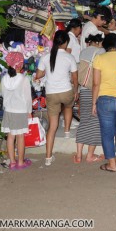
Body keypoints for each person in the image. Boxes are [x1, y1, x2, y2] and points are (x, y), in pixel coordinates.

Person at [35, 31, 78, 166]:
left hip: (51, 94)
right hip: (66, 91)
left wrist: (42, 73)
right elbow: (75, 78)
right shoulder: (69, 57)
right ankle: (66, 131)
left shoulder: (46, 57)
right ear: (65, 43)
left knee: (52, 126)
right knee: (69, 106)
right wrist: (75, 91)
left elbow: (38, 74)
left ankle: (48, 157)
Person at [92, 33, 116, 172]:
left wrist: (93, 103)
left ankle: (112, 164)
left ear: (106, 45)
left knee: (107, 133)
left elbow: (96, 84)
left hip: (104, 100)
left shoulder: (99, 59)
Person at [74, 34, 106, 164]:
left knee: (84, 122)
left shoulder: (83, 52)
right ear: (98, 42)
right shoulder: (102, 52)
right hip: (95, 91)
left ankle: (78, 155)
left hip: (83, 90)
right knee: (95, 123)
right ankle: (90, 155)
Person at [1, 52, 32, 170]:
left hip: (8, 110)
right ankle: (20, 162)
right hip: (20, 111)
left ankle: (12, 162)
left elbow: (4, 95)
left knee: (10, 136)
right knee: (20, 137)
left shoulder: (4, 78)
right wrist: (29, 111)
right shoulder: (23, 79)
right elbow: (27, 97)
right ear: (20, 65)